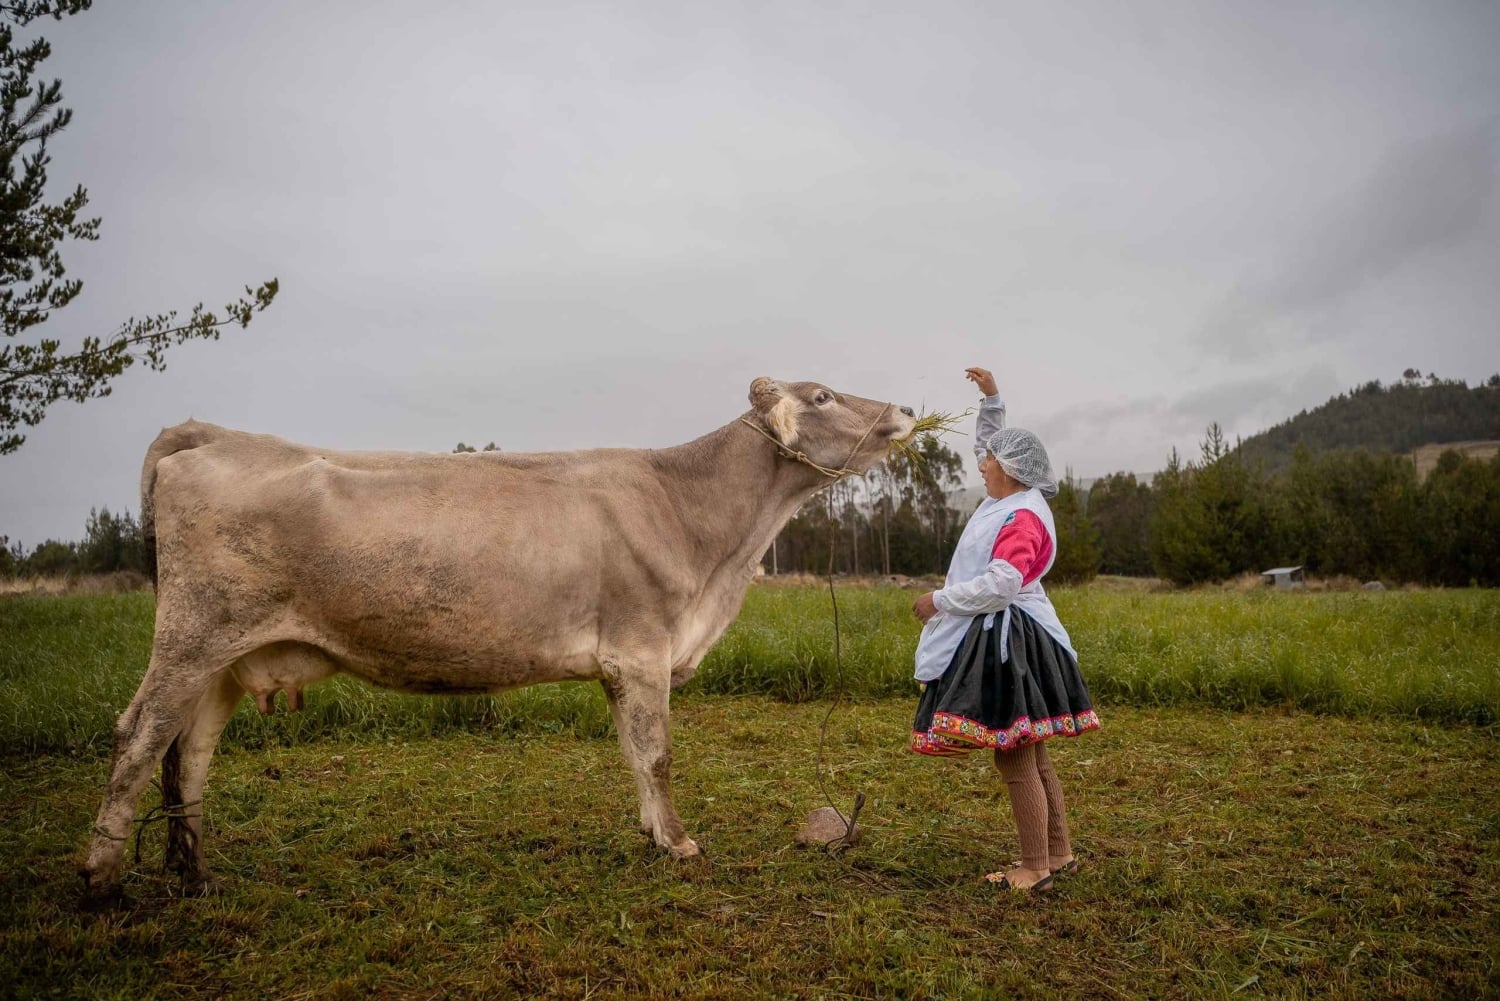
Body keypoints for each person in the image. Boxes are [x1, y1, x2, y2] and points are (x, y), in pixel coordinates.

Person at [910, 366, 1100, 892]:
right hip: (1016, 633)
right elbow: (988, 442)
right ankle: (1057, 854)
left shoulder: (1022, 517)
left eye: (991, 458)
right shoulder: (1008, 500)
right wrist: (991, 399)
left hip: (1010, 642)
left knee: (1014, 753)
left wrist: (939, 601)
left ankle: (1034, 866)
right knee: (1032, 752)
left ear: (1013, 468)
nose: (983, 461)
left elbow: (1003, 583)